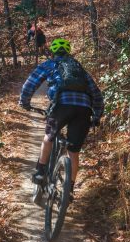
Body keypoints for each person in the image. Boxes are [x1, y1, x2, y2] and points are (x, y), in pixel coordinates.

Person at [19, 38, 104, 201]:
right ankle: (69, 190)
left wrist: (25, 102)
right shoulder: (79, 69)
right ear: (69, 52)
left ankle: (40, 171)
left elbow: (30, 83)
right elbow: (96, 94)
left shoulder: (50, 64)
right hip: (84, 110)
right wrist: (96, 115)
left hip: (62, 105)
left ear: (53, 52)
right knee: (74, 151)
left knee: (49, 136)